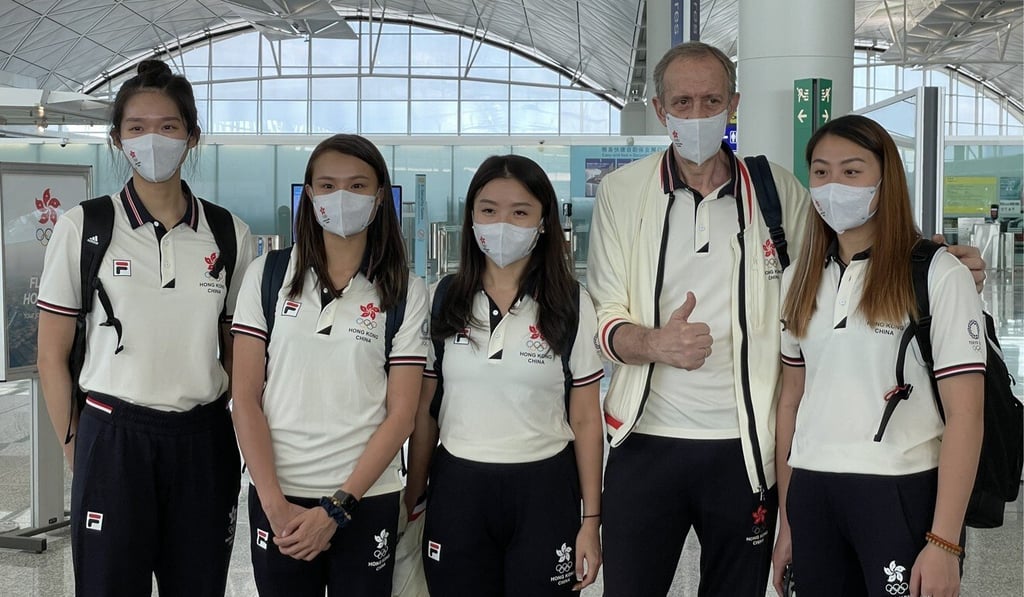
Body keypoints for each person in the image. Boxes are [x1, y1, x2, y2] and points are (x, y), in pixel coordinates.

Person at [585, 41, 986, 597]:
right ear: (659, 109)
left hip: (749, 448)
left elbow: (835, 256)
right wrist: (654, 342)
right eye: (682, 102)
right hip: (644, 438)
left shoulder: (775, 191)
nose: (697, 115)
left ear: (734, 104)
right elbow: (604, 314)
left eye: (711, 100)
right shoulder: (622, 192)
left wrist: (937, 263)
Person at [36, 60, 253, 597]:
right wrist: (76, 447)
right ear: (117, 140)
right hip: (113, 436)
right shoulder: (83, 228)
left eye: (168, 126)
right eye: (136, 127)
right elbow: (51, 354)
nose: (151, 139)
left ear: (192, 137)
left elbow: (242, 355)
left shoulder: (229, 235)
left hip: (204, 439)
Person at [771, 114, 984, 597]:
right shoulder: (798, 281)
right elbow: (791, 402)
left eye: (852, 171)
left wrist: (945, 542)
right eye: (821, 172)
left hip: (900, 492)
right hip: (813, 492)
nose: (833, 186)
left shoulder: (937, 274)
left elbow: (966, 415)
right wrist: (788, 523)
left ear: (885, 180)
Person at [230, 134, 427, 597]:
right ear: (310, 195)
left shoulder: (404, 291)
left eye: (358, 186)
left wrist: (337, 508)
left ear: (380, 198)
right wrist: (273, 503)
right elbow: (245, 396)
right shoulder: (269, 276)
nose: (342, 197)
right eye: (328, 185)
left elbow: (402, 414)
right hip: (280, 496)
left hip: (366, 498)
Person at [404, 155, 605, 596]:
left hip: (545, 490)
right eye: (489, 210)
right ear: (472, 217)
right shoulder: (444, 298)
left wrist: (591, 520)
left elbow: (588, 421)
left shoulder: (571, 303)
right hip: (459, 486)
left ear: (543, 222)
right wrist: (413, 495)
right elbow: (425, 412)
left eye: (520, 212)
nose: (502, 224)